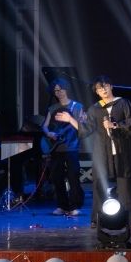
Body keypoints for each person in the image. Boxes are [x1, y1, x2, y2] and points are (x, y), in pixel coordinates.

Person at [56, 76, 131, 228]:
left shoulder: (123, 103)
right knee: (98, 185)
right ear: (97, 92)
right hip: (102, 150)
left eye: (105, 86)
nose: (103, 90)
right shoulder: (94, 109)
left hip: (121, 150)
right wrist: (70, 120)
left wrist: (115, 125)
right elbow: (85, 130)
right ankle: (97, 218)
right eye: (99, 89)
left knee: (125, 185)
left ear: (111, 86)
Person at [40, 79, 85, 216]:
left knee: (73, 177)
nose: (58, 92)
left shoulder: (77, 106)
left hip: (72, 146)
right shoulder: (52, 108)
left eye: (60, 89)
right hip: (56, 147)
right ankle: (62, 205)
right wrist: (49, 133)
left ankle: (75, 206)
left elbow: (82, 127)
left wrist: (72, 120)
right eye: (56, 91)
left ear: (66, 89)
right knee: (57, 177)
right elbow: (44, 126)